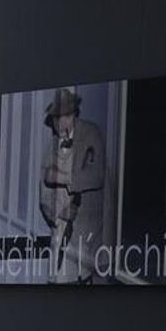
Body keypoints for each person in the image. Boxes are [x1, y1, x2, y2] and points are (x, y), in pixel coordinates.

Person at [39, 88, 111, 283]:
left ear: (71, 115)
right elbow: (43, 190)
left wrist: (62, 177)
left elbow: (97, 176)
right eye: (54, 118)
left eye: (60, 117)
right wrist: (58, 215)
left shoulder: (91, 133)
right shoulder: (52, 146)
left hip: (91, 228)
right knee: (59, 279)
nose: (57, 123)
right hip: (62, 229)